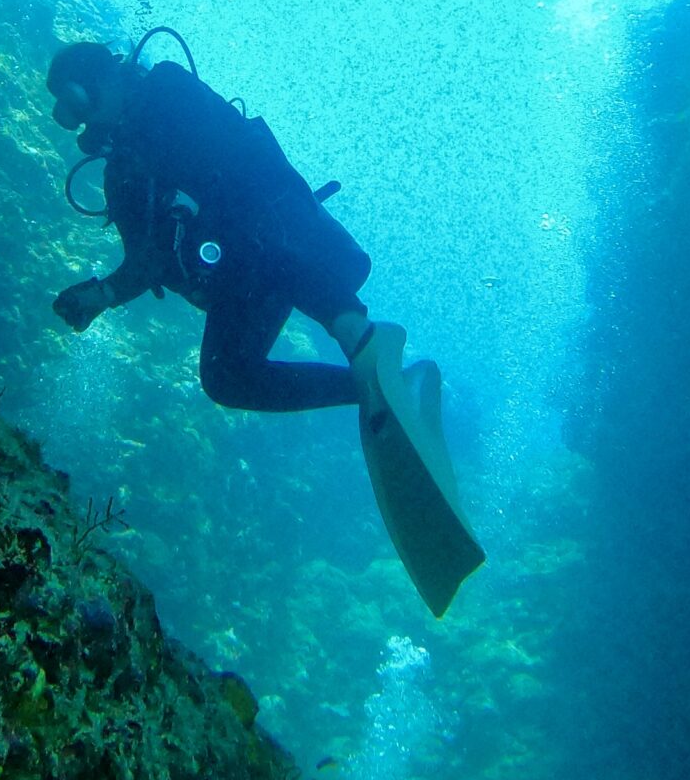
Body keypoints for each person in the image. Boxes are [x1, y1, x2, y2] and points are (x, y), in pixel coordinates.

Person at [45, 35, 485, 616]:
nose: (79, 116)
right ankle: (371, 387)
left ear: (108, 72)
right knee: (224, 377)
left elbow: (247, 173)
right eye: (68, 110)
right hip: (242, 281)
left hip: (287, 241)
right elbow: (145, 262)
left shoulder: (169, 89)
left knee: (248, 224)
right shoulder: (123, 176)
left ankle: (357, 335)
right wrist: (101, 294)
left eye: (77, 97)